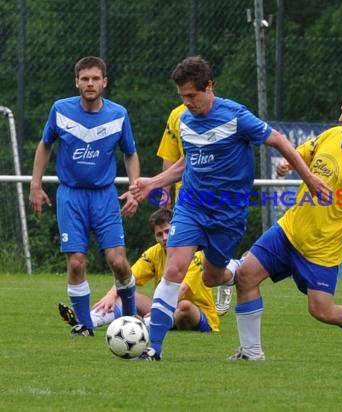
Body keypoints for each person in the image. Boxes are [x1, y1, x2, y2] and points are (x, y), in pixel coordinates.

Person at [130, 56, 330, 361]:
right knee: (174, 269)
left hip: (227, 213)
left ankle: (235, 269)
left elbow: (279, 141)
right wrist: (153, 182)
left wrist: (308, 177)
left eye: (192, 96)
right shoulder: (184, 120)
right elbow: (188, 162)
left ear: (209, 87)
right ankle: (154, 348)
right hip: (192, 206)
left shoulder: (235, 116)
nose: (187, 103)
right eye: (182, 97)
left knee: (212, 277)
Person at [229, 89, 342, 365]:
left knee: (321, 310)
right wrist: (290, 161)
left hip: (322, 250)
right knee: (246, 275)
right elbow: (308, 151)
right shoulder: (334, 135)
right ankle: (251, 353)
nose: (341, 118)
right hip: (289, 230)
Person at [29, 56, 140, 337]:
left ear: (105, 81)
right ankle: (84, 325)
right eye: (85, 78)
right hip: (71, 195)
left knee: (117, 261)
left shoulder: (119, 114)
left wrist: (135, 189)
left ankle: (130, 320)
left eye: (95, 78)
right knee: (76, 262)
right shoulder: (60, 110)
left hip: (104, 196)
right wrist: (35, 185)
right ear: (76, 81)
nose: (90, 83)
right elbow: (45, 145)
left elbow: (130, 152)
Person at [58, 208, 222, 332]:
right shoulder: (154, 252)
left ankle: (139, 326)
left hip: (199, 316)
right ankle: (89, 321)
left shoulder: (194, 252)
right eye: (159, 234)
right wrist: (110, 295)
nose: (164, 238)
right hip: (165, 309)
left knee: (184, 305)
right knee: (127, 295)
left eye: (167, 231)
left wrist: (159, 309)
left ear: (176, 229)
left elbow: (182, 289)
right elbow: (130, 277)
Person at [156, 102, 233, 316]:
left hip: (216, 199)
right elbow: (171, 158)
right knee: (179, 260)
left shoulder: (225, 113)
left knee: (209, 263)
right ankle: (170, 311)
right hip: (187, 201)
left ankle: (226, 275)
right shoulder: (177, 115)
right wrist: (164, 194)